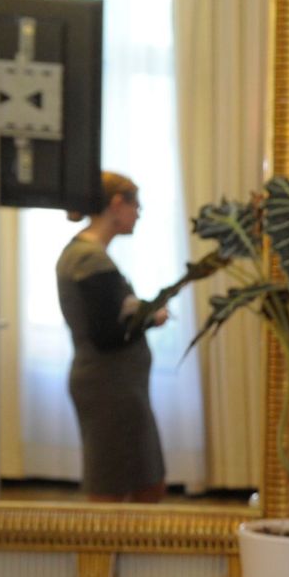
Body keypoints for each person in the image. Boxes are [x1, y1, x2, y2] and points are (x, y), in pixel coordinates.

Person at [56, 170, 167, 502]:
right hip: (110, 390)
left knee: (138, 481)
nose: (139, 214)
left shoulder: (85, 254)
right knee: (116, 488)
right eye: (137, 206)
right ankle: (102, 555)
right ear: (117, 204)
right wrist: (152, 318)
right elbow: (107, 334)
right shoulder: (90, 258)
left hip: (114, 387)